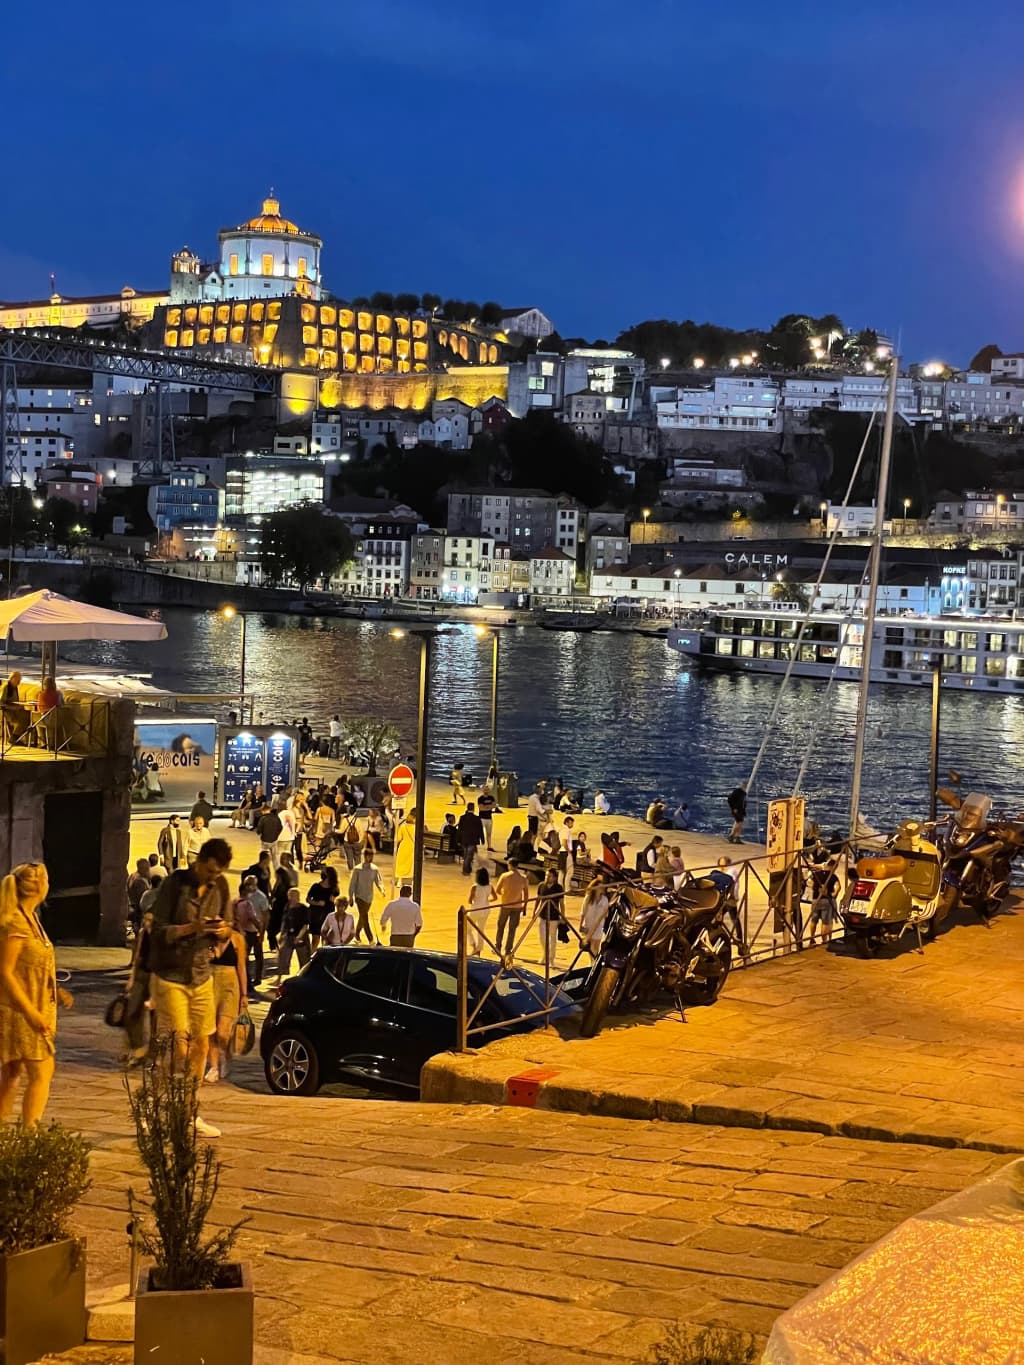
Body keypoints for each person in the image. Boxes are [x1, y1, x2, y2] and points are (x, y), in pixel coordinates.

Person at [147, 837, 234, 1137]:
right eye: (209, 871)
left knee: (200, 1047)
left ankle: (188, 1113)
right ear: (199, 861)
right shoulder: (175, 884)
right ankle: (156, 1109)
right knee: (177, 1046)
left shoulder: (220, 887)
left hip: (201, 975)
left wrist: (221, 930)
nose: (212, 877)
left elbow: (229, 928)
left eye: (218, 873)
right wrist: (192, 928)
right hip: (170, 975)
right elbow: (158, 931)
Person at [0, 862, 72, 1123]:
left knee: (12, 1073)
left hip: (35, 1004)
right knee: (42, 1071)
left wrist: (57, 990)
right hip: (21, 1010)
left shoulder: (31, 919)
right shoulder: (16, 924)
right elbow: (5, 972)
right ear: (40, 886)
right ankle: (30, 1135)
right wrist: (31, 1013)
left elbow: (29, 966)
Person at [206, 909, 247, 1083]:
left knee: (223, 1031)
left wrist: (244, 994)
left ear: (228, 923)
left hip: (230, 985)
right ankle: (214, 1067)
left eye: (219, 924)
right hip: (210, 982)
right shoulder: (207, 939)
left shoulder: (237, 939)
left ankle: (227, 1054)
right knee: (211, 1028)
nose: (217, 928)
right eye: (213, 925)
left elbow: (241, 967)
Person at [233, 876, 268, 989]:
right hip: (249, 932)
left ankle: (254, 978)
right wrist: (260, 929)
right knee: (245, 958)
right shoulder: (246, 904)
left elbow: (265, 914)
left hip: (243, 933)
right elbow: (254, 919)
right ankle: (247, 983)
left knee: (251, 956)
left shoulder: (235, 902)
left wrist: (262, 932)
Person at [494, 859, 529, 957]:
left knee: (501, 926)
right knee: (512, 929)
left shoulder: (504, 876)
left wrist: (505, 894)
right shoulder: (523, 878)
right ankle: (508, 950)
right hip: (517, 906)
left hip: (505, 905)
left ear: (510, 865)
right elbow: (526, 894)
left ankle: (498, 947)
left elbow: (497, 890)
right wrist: (525, 906)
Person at [348, 847, 384, 944]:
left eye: (371, 856)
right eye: (368, 856)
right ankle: (370, 938)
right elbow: (352, 884)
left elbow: (378, 881)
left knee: (362, 917)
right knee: (365, 916)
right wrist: (351, 896)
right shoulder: (357, 869)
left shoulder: (374, 869)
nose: (370, 858)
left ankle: (357, 934)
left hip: (369, 897)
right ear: (365, 856)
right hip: (359, 896)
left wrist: (382, 889)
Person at [276, 888, 311, 977]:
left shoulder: (303, 909)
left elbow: (305, 925)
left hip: (301, 937)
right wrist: (281, 934)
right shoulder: (287, 907)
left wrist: (299, 937)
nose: (291, 898)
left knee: (304, 960)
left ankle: (303, 978)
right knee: (282, 958)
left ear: (298, 897)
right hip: (288, 936)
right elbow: (284, 921)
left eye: (293, 896)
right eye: (290, 895)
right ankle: (279, 978)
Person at [537, 867, 565, 967]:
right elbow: (539, 899)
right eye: (546, 875)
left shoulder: (559, 888)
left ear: (554, 878)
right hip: (542, 915)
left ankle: (551, 959)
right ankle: (545, 954)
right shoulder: (541, 885)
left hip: (553, 916)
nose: (547, 877)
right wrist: (536, 911)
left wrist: (563, 916)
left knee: (552, 938)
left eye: (549, 876)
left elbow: (561, 903)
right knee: (542, 937)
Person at [268, 854, 296, 950]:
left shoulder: (287, 887)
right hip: (277, 907)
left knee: (277, 927)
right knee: (272, 927)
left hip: (283, 908)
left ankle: (277, 944)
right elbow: (273, 894)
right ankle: (273, 944)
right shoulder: (279, 885)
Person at [306, 868, 337, 950]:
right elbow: (308, 899)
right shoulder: (316, 886)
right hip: (315, 916)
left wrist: (334, 900)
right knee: (315, 940)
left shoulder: (334, 889)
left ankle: (323, 956)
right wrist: (317, 903)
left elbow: (335, 902)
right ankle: (312, 956)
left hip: (327, 916)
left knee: (325, 939)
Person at [579, 878, 611, 956]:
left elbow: (605, 915)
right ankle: (592, 961)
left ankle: (593, 961)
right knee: (590, 947)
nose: (601, 889)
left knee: (595, 947)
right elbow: (583, 912)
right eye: (600, 887)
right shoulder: (588, 898)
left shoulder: (605, 900)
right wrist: (580, 925)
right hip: (588, 925)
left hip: (598, 926)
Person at [0, 670, 30, 744]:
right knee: (23, 719)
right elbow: (1, 703)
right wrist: (14, 708)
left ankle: (18, 737)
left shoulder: (15, 688)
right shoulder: (6, 688)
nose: (19, 682)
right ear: (12, 678)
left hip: (15, 710)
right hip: (7, 712)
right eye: (18, 680)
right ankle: (14, 737)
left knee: (28, 715)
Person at [467, 868, 492, 955]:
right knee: (481, 930)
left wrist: (475, 901)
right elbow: (495, 897)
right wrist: (487, 901)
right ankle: (479, 949)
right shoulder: (490, 886)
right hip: (486, 910)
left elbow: (469, 900)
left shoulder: (475, 887)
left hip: (476, 909)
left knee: (467, 928)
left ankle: (473, 945)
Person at [392, 807, 417, 891]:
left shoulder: (403, 826)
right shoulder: (416, 827)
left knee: (401, 864)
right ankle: (413, 881)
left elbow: (398, 838)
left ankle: (400, 881)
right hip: (412, 847)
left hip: (403, 847)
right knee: (412, 865)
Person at [458, 802, 485, 876]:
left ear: (467, 808)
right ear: (473, 808)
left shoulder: (462, 817)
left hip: (464, 839)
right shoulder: (477, 818)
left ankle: (468, 869)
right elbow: (480, 829)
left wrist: (458, 840)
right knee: (469, 856)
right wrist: (482, 839)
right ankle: (465, 870)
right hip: (472, 840)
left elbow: (459, 829)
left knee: (466, 855)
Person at [256, 803, 283, 870]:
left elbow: (259, 829)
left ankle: (264, 869)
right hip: (274, 840)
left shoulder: (262, 818)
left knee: (265, 856)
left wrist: (260, 833)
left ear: (263, 811)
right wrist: (277, 835)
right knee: (275, 856)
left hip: (265, 840)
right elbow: (280, 827)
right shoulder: (276, 817)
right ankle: (277, 869)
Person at [127, 858, 150, 928]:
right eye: (147, 868)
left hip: (133, 907)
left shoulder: (132, 876)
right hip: (137, 910)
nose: (148, 870)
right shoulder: (139, 881)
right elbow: (141, 898)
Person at [558, 816, 576, 888]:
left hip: (561, 852)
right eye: (571, 823)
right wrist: (569, 851)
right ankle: (567, 888)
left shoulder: (561, 830)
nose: (572, 825)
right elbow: (564, 842)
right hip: (566, 852)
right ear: (567, 823)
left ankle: (560, 888)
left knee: (562, 871)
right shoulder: (566, 830)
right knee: (570, 871)